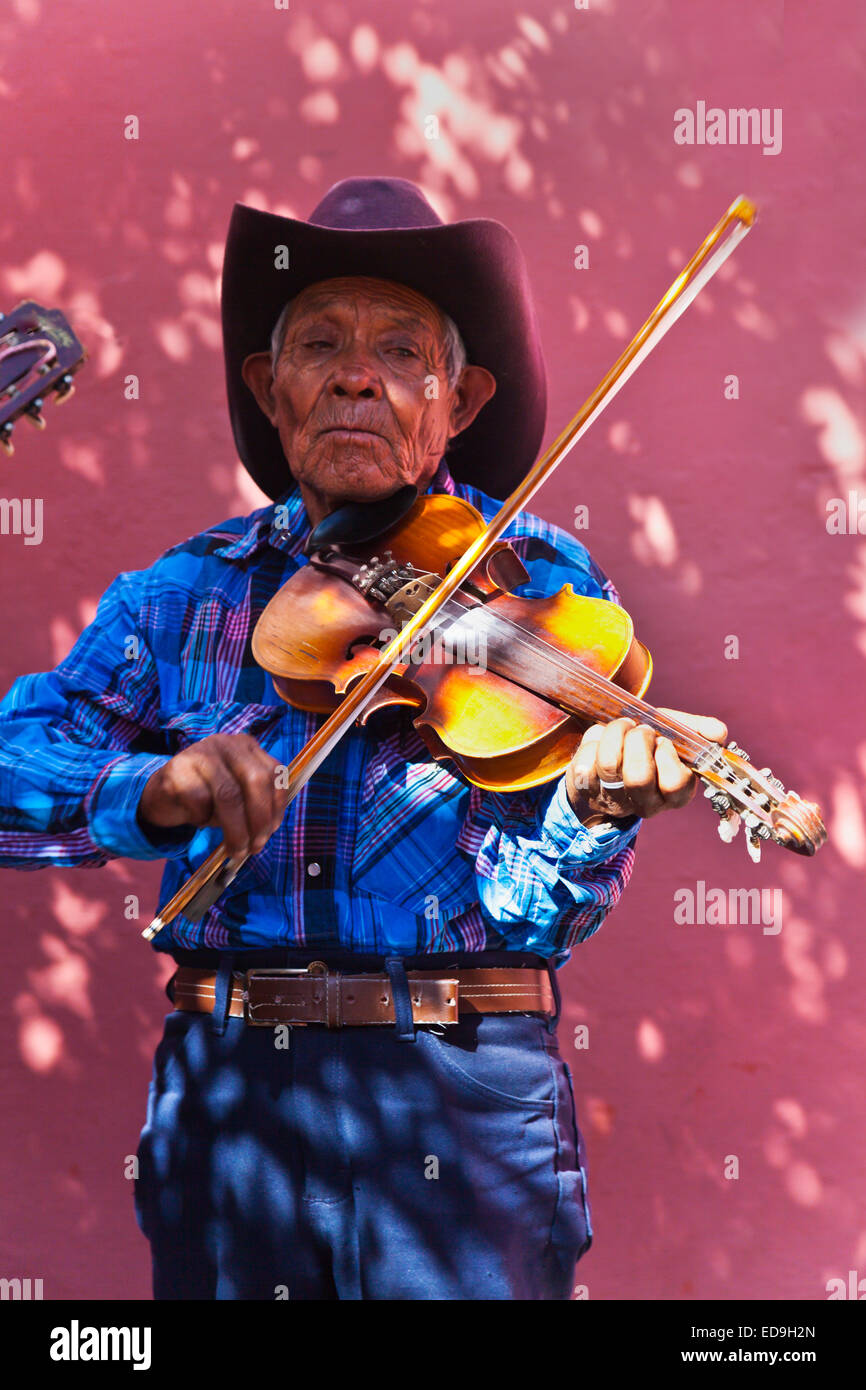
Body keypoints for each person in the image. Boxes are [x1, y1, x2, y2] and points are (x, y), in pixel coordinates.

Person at [0, 177, 725, 1300]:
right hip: (235, 1097)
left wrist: (591, 810)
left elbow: (531, 909)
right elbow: (14, 764)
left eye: (401, 351)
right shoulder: (180, 594)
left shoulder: (534, 588)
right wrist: (151, 787)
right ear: (269, 389)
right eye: (321, 344)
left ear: (459, 401)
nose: (355, 373)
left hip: (463, 1100)